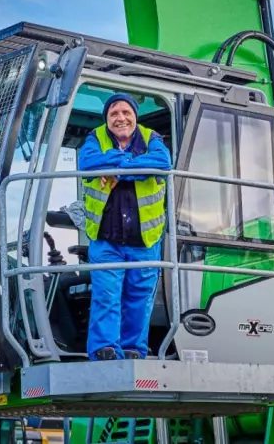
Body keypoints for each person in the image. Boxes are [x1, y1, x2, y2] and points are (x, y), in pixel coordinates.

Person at [77, 92, 172, 361]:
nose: (121, 118)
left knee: (139, 300)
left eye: (125, 112)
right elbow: (88, 162)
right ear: (107, 119)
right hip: (107, 240)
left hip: (145, 241)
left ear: (134, 116)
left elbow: (162, 163)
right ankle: (104, 349)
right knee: (106, 297)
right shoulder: (95, 138)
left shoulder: (151, 138)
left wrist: (118, 169)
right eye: (114, 114)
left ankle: (132, 350)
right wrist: (133, 165)